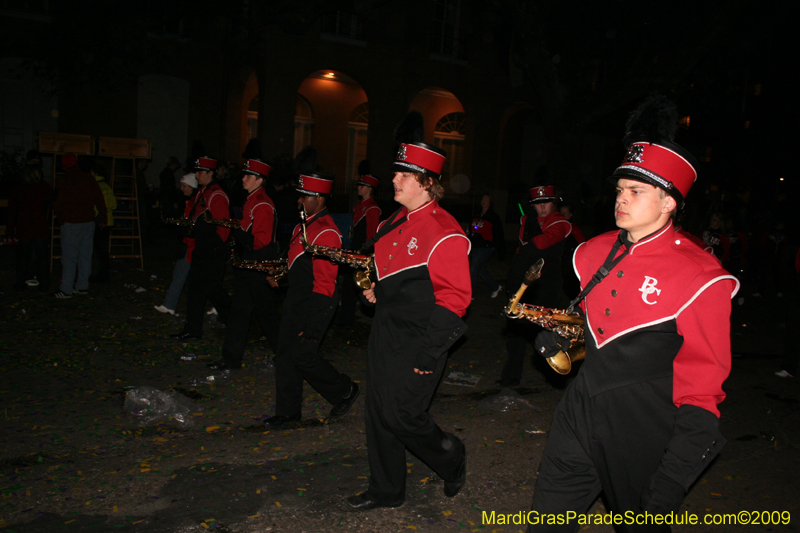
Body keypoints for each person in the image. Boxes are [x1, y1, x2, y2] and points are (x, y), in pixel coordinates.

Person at [528, 96, 739, 532]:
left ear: (668, 203)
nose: (621, 200)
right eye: (621, 190)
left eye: (636, 191)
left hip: (643, 428)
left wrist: (675, 474)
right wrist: (566, 340)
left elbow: (702, 390)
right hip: (580, 409)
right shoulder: (592, 251)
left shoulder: (702, 277)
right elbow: (600, 325)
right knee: (547, 521)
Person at [347, 114, 471, 511]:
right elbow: (397, 277)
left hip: (421, 338)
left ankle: (451, 457)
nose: (394, 180)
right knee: (378, 413)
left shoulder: (445, 231)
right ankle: (387, 490)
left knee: (403, 416)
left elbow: (455, 301)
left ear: (426, 182)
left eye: (403, 175)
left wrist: (428, 355)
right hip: (386, 330)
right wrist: (376, 290)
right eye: (396, 172)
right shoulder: (391, 221)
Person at [263, 170, 358, 429]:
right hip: (297, 298)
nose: (298, 201)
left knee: (303, 355)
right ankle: (288, 412)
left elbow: (325, 283)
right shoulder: (302, 227)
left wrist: (314, 321)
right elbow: (298, 267)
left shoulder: (326, 232)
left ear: (318, 198)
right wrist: (280, 279)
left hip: (317, 301)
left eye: (304, 197)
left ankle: (344, 390)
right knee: (285, 355)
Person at [208, 159, 280, 370]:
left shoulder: (263, 204)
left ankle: (287, 356)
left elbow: (261, 241)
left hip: (259, 264)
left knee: (267, 315)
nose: (243, 178)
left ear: (259, 180)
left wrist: (237, 234)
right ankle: (230, 359)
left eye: (248, 175)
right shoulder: (252, 200)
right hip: (249, 263)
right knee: (240, 312)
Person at [496, 185, 571, 387]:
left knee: (545, 331)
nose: (543, 207)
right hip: (526, 284)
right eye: (538, 204)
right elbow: (521, 256)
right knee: (515, 330)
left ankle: (555, 376)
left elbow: (541, 244)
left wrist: (529, 233)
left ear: (553, 203)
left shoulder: (561, 223)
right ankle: (511, 375)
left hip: (547, 286)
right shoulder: (526, 222)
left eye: (546, 202)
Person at [169, 157, 232, 340]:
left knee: (214, 291)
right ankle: (192, 330)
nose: (196, 175)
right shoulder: (203, 192)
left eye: (199, 172)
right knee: (196, 292)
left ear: (209, 173)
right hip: (202, 248)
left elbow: (223, 227)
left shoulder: (216, 194)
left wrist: (212, 249)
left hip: (211, 251)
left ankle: (235, 323)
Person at [52, 153, 107, 299]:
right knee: (85, 256)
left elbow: (58, 202)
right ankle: (82, 286)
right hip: (88, 222)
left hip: (71, 222)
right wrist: (103, 217)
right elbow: (99, 198)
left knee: (70, 258)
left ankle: (66, 289)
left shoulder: (64, 180)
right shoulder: (88, 178)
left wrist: (61, 218)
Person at [337, 170, 382, 326]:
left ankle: (347, 318)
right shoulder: (361, 206)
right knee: (350, 283)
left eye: (362, 185)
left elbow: (371, 235)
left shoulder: (372, 208)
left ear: (369, 188)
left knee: (356, 284)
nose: (358, 188)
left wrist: (363, 251)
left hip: (362, 251)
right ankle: (346, 317)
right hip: (356, 248)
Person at [155, 172, 198, 315]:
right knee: (180, 273)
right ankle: (169, 304)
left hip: (192, 244)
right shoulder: (188, 201)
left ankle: (169, 304)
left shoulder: (196, 203)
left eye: (184, 186)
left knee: (182, 275)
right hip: (186, 243)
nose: (182, 189)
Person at [6, 163, 52, 292]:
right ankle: (44, 283)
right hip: (40, 227)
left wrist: (9, 232)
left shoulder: (19, 189)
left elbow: (12, 212)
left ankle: (20, 282)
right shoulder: (43, 188)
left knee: (23, 258)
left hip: (25, 227)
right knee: (42, 258)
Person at [468, 193, 505, 299]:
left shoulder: (493, 217)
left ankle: (472, 294)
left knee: (473, 267)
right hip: (476, 246)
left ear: (490, 202)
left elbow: (499, 234)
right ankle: (495, 287)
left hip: (486, 247)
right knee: (480, 269)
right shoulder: (476, 215)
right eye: (482, 199)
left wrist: (500, 250)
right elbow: (471, 230)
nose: (483, 201)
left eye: (486, 199)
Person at [89, 165, 117, 283]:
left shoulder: (96, 186)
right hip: (108, 221)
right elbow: (113, 205)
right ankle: (103, 274)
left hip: (99, 221)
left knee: (98, 250)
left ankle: (100, 274)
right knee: (103, 250)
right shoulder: (106, 186)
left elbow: (98, 206)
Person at [559, 203, 586, 300]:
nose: (562, 215)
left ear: (570, 215)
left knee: (569, 283)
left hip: (570, 259)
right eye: (561, 213)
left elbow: (582, 243)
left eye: (565, 213)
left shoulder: (573, 228)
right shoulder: (558, 225)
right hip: (561, 258)